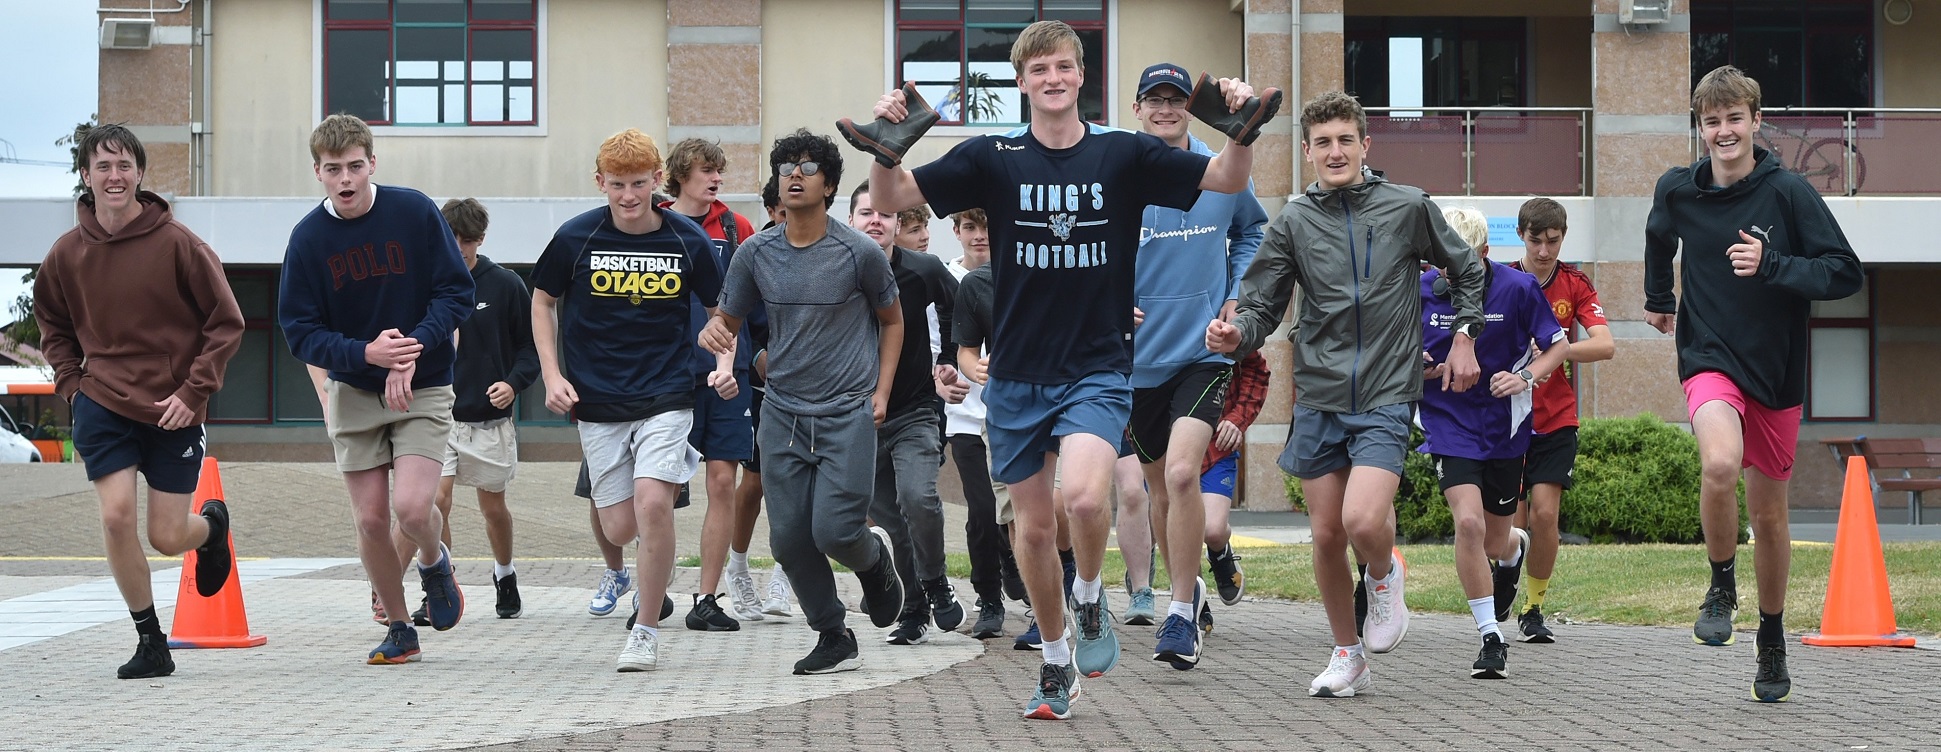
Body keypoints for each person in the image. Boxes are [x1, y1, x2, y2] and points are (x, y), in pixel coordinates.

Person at [857, 19, 1271, 718]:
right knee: (1036, 529)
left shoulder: (1124, 153)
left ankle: (1086, 594)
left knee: (1083, 498)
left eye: (1064, 67)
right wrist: (886, 147)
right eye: (1038, 69)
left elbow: (1226, 178)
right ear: (1021, 82)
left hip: (1095, 365)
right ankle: (1055, 661)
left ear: (1082, 76)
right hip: (1017, 372)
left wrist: (1239, 128)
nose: (1053, 78)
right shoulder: (993, 155)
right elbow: (894, 198)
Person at [1208, 90, 1486, 698]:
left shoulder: (1407, 207)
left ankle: (1385, 576)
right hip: (1320, 392)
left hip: (1387, 388)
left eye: (1345, 140)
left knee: (1362, 520)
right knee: (1328, 534)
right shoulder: (1294, 222)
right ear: (1307, 151)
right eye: (1322, 143)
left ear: (1365, 144)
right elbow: (1261, 304)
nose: (1335, 152)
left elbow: (1468, 268)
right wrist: (1237, 335)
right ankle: (1346, 654)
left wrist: (1465, 335)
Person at [1644, 65, 1863, 703]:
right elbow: (1659, 235)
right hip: (1709, 352)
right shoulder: (1679, 189)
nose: (1723, 131)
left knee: (1769, 516)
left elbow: (1844, 272)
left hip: (1776, 369)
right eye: (1711, 121)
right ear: (1700, 127)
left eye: (1734, 118)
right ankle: (1719, 583)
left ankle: (1771, 639)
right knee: (1719, 463)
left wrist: (1773, 265)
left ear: (1754, 121)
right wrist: (1660, 296)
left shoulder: (1788, 192)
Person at [35, 124, 245, 679]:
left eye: (124, 165)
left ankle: (212, 530)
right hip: (101, 400)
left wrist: (194, 390)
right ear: (85, 176)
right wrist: (71, 386)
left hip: (172, 405)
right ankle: (151, 641)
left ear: (140, 174)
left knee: (168, 537)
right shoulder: (65, 254)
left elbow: (226, 324)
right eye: (102, 166)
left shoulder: (179, 244)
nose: (114, 176)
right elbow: (53, 326)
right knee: (115, 516)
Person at [700, 128, 907, 676]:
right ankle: (833, 633)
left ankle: (875, 563)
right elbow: (728, 319)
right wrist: (714, 333)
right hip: (783, 412)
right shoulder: (754, 253)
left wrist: (880, 392)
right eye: (787, 165)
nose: (795, 173)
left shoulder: (858, 252)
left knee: (835, 531)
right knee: (789, 540)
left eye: (809, 166)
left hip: (846, 411)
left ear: (830, 184)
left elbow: (892, 321)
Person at [530, 128, 735, 671]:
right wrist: (552, 375)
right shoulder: (576, 238)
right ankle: (643, 563)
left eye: (639, 184)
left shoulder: (686, 238)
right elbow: (542, 300)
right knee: (621, 527)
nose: (628, 196)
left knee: (653, 504)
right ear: (601, 183)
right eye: (617, 185)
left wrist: (722, 364)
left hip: (667, 393)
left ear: (657, 181)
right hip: (597, 400)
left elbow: (721, 313)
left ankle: (645, 629)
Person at [279, 114, 476, 664]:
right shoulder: (308, 239)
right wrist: (366, 353)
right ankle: (399, 629)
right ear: (317, 172)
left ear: (373, 164)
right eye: (333, 169)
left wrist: (410, 349)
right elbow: (299, 332)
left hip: (423, 384)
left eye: (356, 166)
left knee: (414, 508)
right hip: (355, 390)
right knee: (369, 519)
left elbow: (454, 295)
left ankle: (435, 565)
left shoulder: (413, 211)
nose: (346, 179)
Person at [1125, 61, 1269, 671]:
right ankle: (1189, 585)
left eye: (1175, 99)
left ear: (1189, 106)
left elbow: (1254, 231)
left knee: (1184, 476)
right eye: (1153, 99)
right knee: (1160, 491)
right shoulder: (1118, 169)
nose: (1165, 108)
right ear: (1136, 109)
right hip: (1132, 363)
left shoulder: (1219, 168)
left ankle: (1179, 613)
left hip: (1202, 352)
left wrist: (1236, 292)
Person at [1418, 207, 1569, 680]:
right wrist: (1417, 364)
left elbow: (1557, 346)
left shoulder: (1517, 288)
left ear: (1484, 253)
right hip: (1447, 419)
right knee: (1468, 524)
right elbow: (1395, 346)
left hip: (1504, 425)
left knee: (1496, 539)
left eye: (1459, 262)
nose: (1448, 273)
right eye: (1441, 262)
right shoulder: (1420, 288)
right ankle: (1490, 636)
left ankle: (1513, 551)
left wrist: (1524, 377)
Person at [380, 198, 539, 622]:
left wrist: (513, 383)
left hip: (488, 419)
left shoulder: (505, 285)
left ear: (481, 239)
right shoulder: (423, 284)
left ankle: (504, 574)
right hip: (437, 414)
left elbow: (530, 348)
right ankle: (440, 587)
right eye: (454, 239)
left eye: (470, 240)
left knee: (493, 508)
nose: (462, 247)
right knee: (437, 501)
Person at [849, 183, 963, 646]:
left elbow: (959, 301)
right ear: (851, 221)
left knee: (918, 498)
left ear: (898, 223)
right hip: (856, 418)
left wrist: (952, 354)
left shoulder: (923, 268)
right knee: (891, 519)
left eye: (885, 214)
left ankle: (935, 583)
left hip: (915, 408)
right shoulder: (838, 270)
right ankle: (914, 610)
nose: (876, 220)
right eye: (865, 213)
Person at [1501, 197, 1615, 642]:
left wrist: (1556, 351)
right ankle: (1504, 583)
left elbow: (1604, 344)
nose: (1544, 251)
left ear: (1562, 238)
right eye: (1536, 241)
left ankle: (1534, 607)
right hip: (1507, 417)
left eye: (1553, 241)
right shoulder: (1503, 280)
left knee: (1545, 517)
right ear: (1521, 236)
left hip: (1556, 417)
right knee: (1511, 520)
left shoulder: (1575, 284)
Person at [660, 138, 762, 630]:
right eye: (706, 170)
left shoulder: (735, 227)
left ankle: (706, 598)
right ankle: (650, 591)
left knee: (722, 480)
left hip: (728, 373)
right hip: (666, 371)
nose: (716, 178)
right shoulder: (650, 221)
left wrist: (748, 356)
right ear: (680, 175)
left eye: (719, 171)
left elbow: (748, 301)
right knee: (656, 489)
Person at [942, 208, 1025, 639]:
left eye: (988, 226)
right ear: (956, 231)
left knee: (1013, 512)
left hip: (1011, 413)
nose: (980, 236)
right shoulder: (948, 279)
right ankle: (989, 599)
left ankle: (1017, 568)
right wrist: (948, 377)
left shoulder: (1022, 271)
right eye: (970, 227)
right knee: (980, 511)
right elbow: (944, 347)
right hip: (965, 418)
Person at [1186, 348, 1271, 636]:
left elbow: (1256, 371)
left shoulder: (1220, 322)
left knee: (1212, 529)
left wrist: (1238, 418)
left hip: (1215, 448)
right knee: (1180, 534)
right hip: (1164, 445)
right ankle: (1192, 605)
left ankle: (1221, 554)